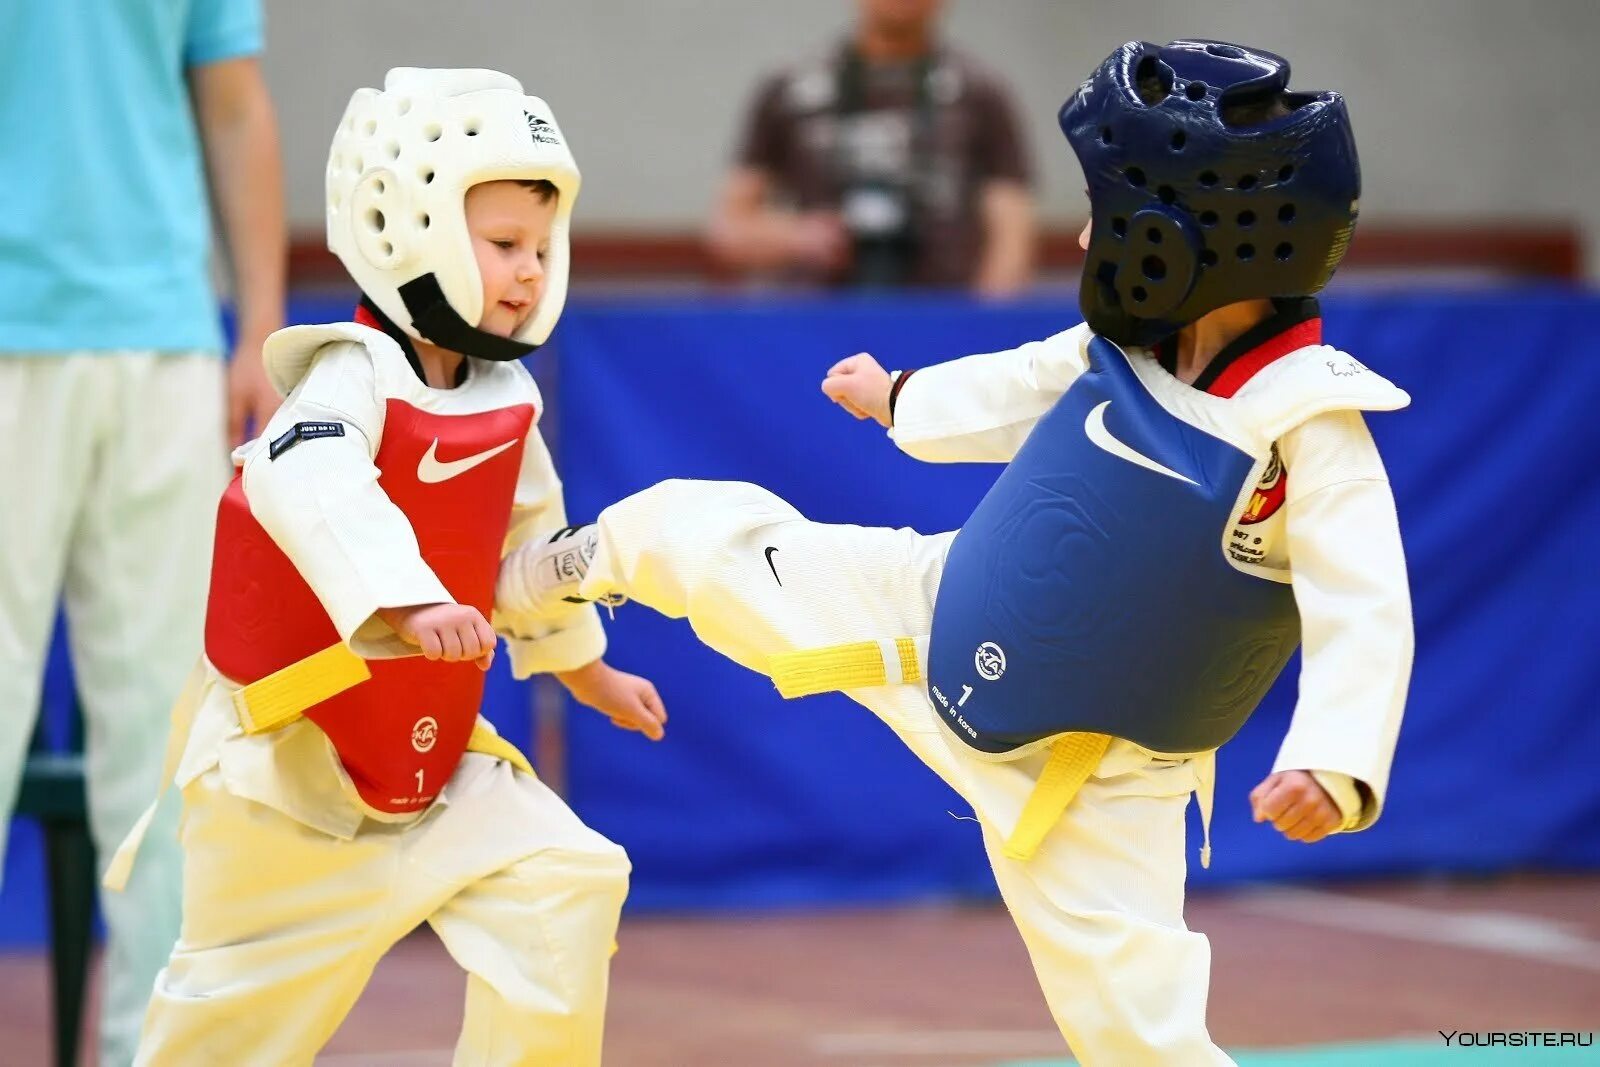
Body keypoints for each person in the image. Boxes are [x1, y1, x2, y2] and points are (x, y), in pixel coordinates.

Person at [505, 41, 1412, 1064]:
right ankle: (539, 577)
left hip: (1102, 786)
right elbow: (1015, 387)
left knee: (1140, 1037)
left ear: (1190, 235)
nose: (1083, 235)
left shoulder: (1308, 425)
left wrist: (1332, 760)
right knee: (691, 532)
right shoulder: (1126, 345)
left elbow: (1365, 603)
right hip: (930, 615)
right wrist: (899, 397)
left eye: (1107, 213)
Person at [105, 68, 667, 1066]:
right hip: (288, 782)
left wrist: (586, 667)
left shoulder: (509, 397)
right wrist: (406, 598)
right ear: (402, 226)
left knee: (566, 878)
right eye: (503, 245)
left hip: (435, 762)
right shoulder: (345, 377)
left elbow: (528, 547)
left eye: (539, 247)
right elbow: (305, 479)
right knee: (217, 1041)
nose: (530, 270)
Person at [0, 1, 284, 1060]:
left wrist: (257, 321)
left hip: (166, 342)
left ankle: (155, 1050)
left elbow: (234, 102)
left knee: (173, 743)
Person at [708, 0, 1035, 293]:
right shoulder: (789, 88)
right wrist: (800, 237)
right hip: (817, 319)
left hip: (943, 316)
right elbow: (731, 229)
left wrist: (983, 331)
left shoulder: (980, 92)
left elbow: (1012, 234)